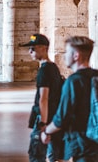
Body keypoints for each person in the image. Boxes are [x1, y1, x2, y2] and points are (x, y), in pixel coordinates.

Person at [41, 36, 98, 162]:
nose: (64, 56)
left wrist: (46, 131)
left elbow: (62, 117)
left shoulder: (73, 81)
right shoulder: (96, 76)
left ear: (76, 55)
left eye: (67, 52)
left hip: (81, 143)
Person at [23, 33, 64, 162]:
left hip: (45, 119)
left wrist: (43, 125)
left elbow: (43, 98)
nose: (30, 51)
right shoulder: (53, 68)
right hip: (54, 118)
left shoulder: (44, 70)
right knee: (55, 154)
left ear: (44, 48)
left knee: (37, 155)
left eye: (33, 48)